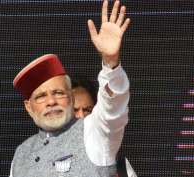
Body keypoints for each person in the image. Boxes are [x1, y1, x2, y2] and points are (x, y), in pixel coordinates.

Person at [10, 0, 131, 176]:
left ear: (71, 97)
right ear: (29, 107)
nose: (51, 101)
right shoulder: (21, 154)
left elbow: (113, 109)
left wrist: (111, 63)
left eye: (58, 93)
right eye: (41, 96)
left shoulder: (93, 132)